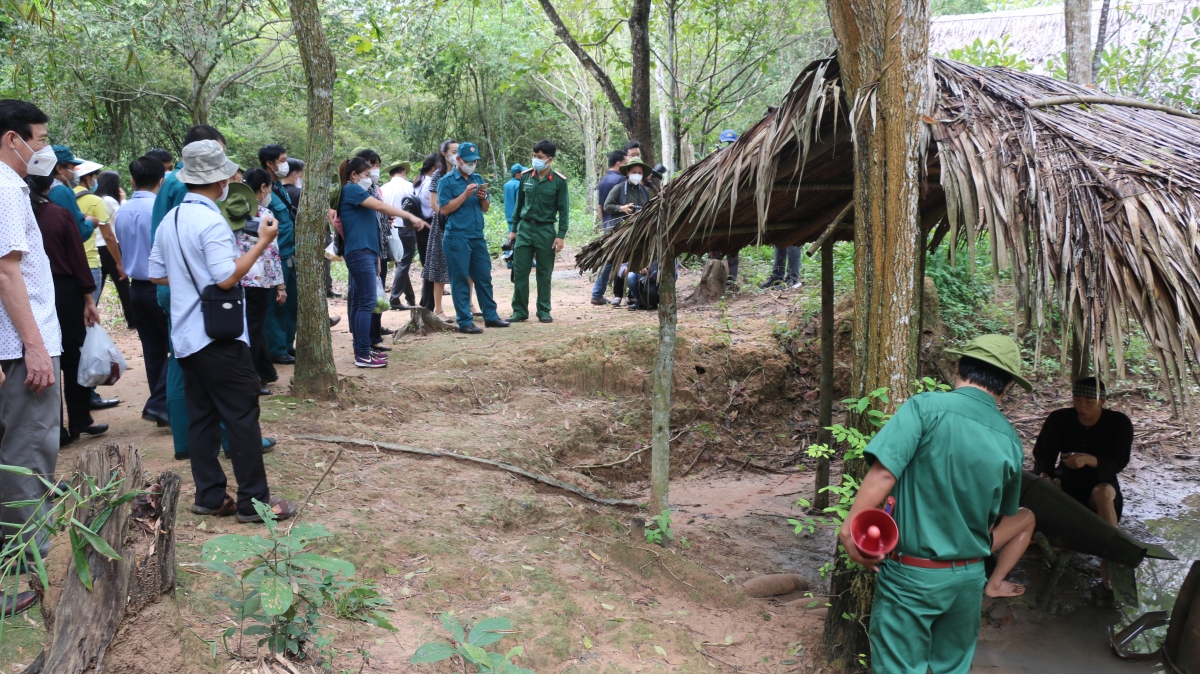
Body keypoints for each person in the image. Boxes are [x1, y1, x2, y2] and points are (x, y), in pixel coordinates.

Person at [838, 334, 1032, 674]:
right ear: (1006, 387)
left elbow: (884, 476)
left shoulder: (925, 407)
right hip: (968, 579)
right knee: (952, 668)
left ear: (957, 367)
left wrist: (849, 529)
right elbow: (999, 514)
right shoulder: (1010, 440)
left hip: (913, 574)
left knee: (899, 666)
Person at [148, 140, 297, 524]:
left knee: (201, 417)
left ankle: (210, 495)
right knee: (241, 415)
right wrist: (263, 242)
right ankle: (254, 503)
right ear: (218, 181)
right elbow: (227, 277)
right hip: (218, 337)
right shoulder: (210, 220)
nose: (233, 179)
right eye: (229, 174)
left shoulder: (172, 218)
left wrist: (188, 280)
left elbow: (155, 272)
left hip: (185, 337)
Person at [0, 101, 65, 618]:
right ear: (11, 139)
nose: (41, 149)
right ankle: (25, 567)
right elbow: (6, 273)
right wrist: (34, 345)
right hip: (22, 347)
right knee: (28, 454)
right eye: (39, 139)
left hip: (14, 345)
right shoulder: (6, 187)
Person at [27, 174, 104, 446]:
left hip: (29, 293)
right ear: (50, 186)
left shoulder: (20, 215)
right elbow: (77, 256)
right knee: (74, 357)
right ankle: (80, 418)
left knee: (42, 355)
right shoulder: (59, 215)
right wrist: (89, 299)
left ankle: (53, 427)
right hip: (65, 291)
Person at [1032, 376, 1132, 587]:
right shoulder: (1059, 419)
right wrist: (1045, 476)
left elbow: (1118, 462)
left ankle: (1110, 559)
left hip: (1101, 482)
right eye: (1077, 400)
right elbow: (1044, 454)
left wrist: (1089, 459)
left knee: (1103, 493)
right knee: (1037, 490)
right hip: (1066, 483)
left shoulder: (1118, 423)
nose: (1082, 407)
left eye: (1089, 403)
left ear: (1102, 402)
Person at [335, 156, 415, 367]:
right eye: (366, 174)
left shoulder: (357, 192)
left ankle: (364, 349)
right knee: (366, 303)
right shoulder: (351, 190)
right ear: (354, 175)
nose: (370, 179)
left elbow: (371, 221)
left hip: (368, 252)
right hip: (359, 252)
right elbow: (381, 206)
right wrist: (410, 216)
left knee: (365, 303)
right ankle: (362, 354)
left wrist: (378, 258)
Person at [114, 156, 170, 427]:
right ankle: (161, 404)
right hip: (158, 286)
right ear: (162, 181)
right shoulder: (159, 210)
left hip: (136, 288)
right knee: (174, 347)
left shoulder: (122, 210)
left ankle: (163, 408)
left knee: (152, 350)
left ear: (133, 181)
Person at [436, 142, 509, 334]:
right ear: (458, 160)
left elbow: (485, 208)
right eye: (468, 161)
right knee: (459, 279)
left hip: (477, 236)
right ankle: (464, 321)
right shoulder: (446, 181)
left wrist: (483, 197)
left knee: (483, 277)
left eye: (475, 160)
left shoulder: (478, 178)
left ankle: (491, 317)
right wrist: (465, 194)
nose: (472, 164)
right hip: (456, 237)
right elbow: (444, 209)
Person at [232, 171, 284, 393]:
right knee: (253, 329)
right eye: (270, 188)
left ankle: (264, 371)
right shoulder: (265, 215)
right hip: (258, 279)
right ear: (263, 188)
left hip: (236, 276)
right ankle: (251, 380)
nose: (270, 192)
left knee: (252, 327)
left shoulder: (231, 212)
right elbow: (272, 251)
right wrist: (280, 284)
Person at [509, 140, 569, 324]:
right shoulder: (526, 177)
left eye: (540, 157)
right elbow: (519, 205)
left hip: (546, 230)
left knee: (544, 272)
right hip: (525, 229)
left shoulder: (559, 181)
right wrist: (513, 229)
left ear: (549, 159)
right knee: (520, 270)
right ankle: (519, 310)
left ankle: (543, 310)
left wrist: (560, 236)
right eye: (534, 156)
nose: (535, 159)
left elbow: (564, 210)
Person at [257, 144, 297, 366]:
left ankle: (287, 345)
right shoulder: (262, 191)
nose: (286, 163)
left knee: (291, 303)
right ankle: (276, 349)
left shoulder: (278, 188)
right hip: (275, 256)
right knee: (276, 304)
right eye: (282, 159)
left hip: (289, 254)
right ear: (270, 163)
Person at [382, 161, 430, 310]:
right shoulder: (409, 186)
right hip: (406, 229)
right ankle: (395, 299)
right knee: (403, 264)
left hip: (388, 228)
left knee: (400, 264)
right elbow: (416, 207)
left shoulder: (382, 188)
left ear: (390, 174)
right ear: (403, 173)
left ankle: (410, 298)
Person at [421, 141, 457, 321]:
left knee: (466, 265)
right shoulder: (438, 175)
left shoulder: (462, 173)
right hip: (443, 225)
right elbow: (434, 203)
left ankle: (469, 304)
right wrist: (447, 218)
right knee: (440, 266)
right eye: (453, 151)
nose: (456, 154)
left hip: (461, 225)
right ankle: (438, 309)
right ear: (444, 153)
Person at [92, 170, 133, 327]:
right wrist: (122, 200)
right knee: (122, 283)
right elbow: (122, 217)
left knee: (99, 283)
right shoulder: (108, 200)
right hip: (110, 245)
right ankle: (132, 319)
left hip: (98, 246)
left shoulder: (97, 198)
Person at [591, 150, 627, 306]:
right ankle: (599, 293)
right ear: (618, 163)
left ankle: (599, 293)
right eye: (625, 163)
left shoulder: (604, 181)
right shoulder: (621, 180)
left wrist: (605, 222)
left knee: (609, 260)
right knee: (615, 260)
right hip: (620, 224)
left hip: (608, 224)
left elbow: (600, 206)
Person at [47, 145, 97, 242]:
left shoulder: (43, 189)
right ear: (59, 168)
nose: (74, 172)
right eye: (72, 168)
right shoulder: (62, 191)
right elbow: (80, 233)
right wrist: (91, 222)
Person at [412, 154, 438, 310]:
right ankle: (428, 305)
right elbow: (435, 206)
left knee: (427, 266)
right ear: (434, 167)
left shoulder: (417, 181)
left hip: (419, 226)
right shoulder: (430, 183)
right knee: (432, 267)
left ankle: (425, 302)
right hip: (429, 225)